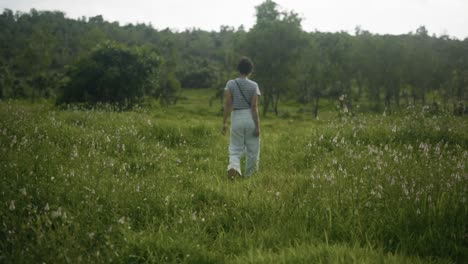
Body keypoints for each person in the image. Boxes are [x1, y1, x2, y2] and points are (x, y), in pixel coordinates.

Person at [222, 57, 261, 180]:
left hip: (236, 117)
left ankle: (234, 166)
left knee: (235, 148)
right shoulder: (254, 85)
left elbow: (228, 104)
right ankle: (249, 176)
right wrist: (257, 126)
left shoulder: (231, 84)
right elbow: (254, 107)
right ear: (250, 71)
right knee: (253, 149)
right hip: (250, 118)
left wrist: (224, 122)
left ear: (238, 69)